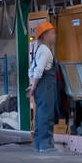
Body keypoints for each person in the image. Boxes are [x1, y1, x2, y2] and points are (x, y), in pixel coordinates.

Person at [27, 20, 58, 152]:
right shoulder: (45, 51)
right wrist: (33, 87)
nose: (55, 35)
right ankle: (46, 145)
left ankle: (39, 145)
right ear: (45, 35)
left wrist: (32, 85)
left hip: (41, 86)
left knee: (40, 114)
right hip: (45, 87)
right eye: (52, 33)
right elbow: (38, 70)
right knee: (46, 115)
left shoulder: (39, 49)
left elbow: (31, 70)